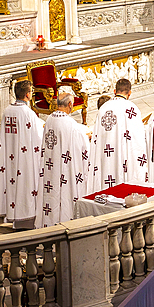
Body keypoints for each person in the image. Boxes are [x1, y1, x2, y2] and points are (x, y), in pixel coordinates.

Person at [35, 91, 92, 227]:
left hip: (51, 166)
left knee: (52, 197)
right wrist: (87, 137)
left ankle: (49, 223)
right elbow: (81, 146)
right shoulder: (70, 124)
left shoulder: (49, 120)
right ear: (70, 105)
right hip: (64, 170)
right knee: (64, 196)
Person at [0, 80, 45, 229]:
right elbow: (38, 136)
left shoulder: (7, 110)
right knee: (25, 185)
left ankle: (14, 216)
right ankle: (25, 218)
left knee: (12, 184)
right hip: (25, 158)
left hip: (9, 155)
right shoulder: (27, 113)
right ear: (28, 95)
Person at [90, 79, 148, 191]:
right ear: (129, 92)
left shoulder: (104, 108)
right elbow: (138, 141)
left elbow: (97, 136)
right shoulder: (132, 109)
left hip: (107, 156)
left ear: (114, 90)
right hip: (124, 156)